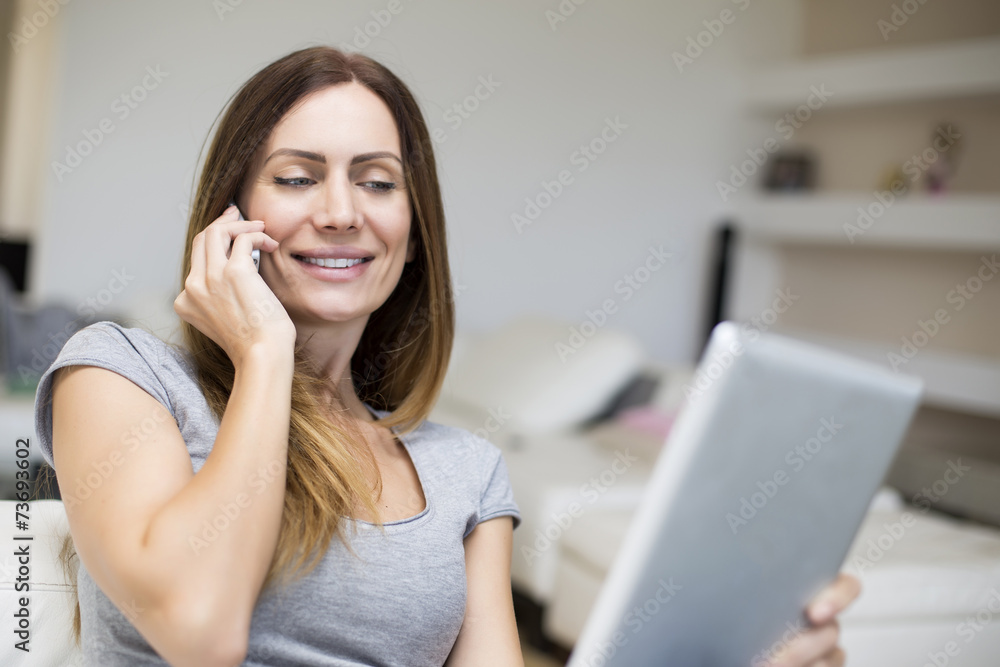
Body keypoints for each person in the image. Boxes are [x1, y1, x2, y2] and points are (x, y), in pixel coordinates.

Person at [33, 46, 859, 666]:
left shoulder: (465, 471)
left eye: (378, 181)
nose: (342, 212)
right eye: (297, 177)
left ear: (413, 230)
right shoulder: (120, 374)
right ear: (230, 215)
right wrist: (265, 355)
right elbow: (200, 630)